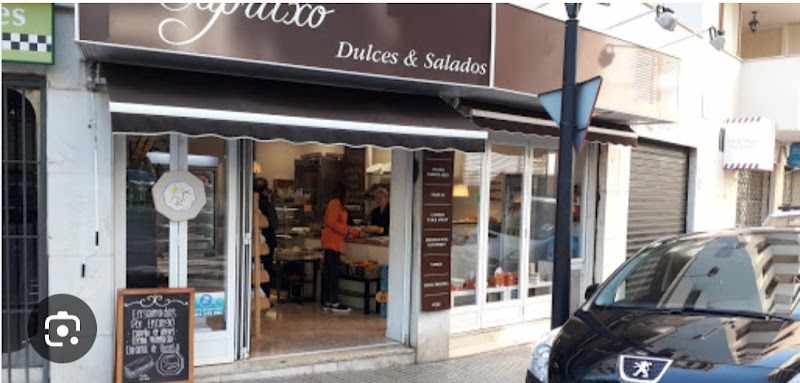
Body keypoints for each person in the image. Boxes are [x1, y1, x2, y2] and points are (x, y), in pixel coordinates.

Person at [321, 183, 359, 313]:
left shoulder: (338, 204)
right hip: (332, 243)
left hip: (334, 243)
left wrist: (352, 231)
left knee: (331, 272)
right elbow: (331, 222)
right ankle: (333, 301)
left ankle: (328, 301)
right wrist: (346, 231)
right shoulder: (335, 204)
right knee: (332, 273)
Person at [254, 178, 279, 297]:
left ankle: (254, 297)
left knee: (254, 268)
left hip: (254, 242)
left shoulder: (250, 203)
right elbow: (274, 223)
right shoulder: (267, 204)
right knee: (266, 269)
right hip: (267, 242)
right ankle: (264, 297)